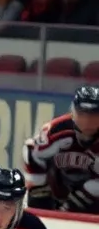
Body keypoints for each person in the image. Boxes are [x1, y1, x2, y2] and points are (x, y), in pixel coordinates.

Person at [24, 85, 99, 215]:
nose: (87, 121)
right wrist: (39, 191)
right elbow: (31, 151)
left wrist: (75, 202)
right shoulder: (56, 130)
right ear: (73, 111)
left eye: (94, 115)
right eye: (82, 114)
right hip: (54, 190)